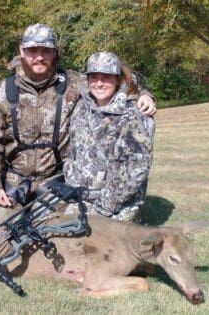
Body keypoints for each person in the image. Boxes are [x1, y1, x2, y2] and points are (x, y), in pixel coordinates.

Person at [0, 24, 156, 228]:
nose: (39, 57)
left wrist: (142, 94)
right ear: (21, 51)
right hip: (15, 181)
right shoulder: (3, 91)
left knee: (58, 238)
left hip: (56, 183)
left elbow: (108, 80)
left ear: (54, 53)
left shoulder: (74, 83)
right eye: (32, 50)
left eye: (46, 50)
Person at [64, 51, 155, 222]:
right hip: (81, 197)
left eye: (106, 77)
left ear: (117, 79)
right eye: (94, 77)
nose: (99, 83)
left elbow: (137, 168)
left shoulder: (135, 114)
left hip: (116, 204)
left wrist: (104, 207)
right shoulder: (81, 107)